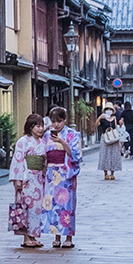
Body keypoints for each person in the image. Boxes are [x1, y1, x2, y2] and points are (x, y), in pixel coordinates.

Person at [40, 106, 83, 248]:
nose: (56, 124)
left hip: (65, 173)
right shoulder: (47, 135)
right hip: (51, 173)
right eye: (53, 121)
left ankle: (69, 237)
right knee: (53, 205)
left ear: (64, 120)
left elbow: (76, 155)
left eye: (59, 121)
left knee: (67, 205)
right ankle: (56, 236)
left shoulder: (72, 134)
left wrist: (63, 143)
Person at [8, 114, 48, 248]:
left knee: (36, 208)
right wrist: (17, 179)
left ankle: (33, 235)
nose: (41, 129)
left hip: (38, 178)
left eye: (42, 126)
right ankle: (26, 237)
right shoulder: (23, 141)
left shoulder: (43, 142)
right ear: (30, 127)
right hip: (27, 178)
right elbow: (17, 160)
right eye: (37, 126)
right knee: (26, 206)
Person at [97, 105, 123, 181]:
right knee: (104, 154)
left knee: (113, 154)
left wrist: (120, 123)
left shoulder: (114, 118)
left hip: (113, 137)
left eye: (110, 109)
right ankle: (105, 173)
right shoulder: (102, 118)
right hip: (105, 137)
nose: (108, 110)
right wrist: (99, 118)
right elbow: (95, 125)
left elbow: (116, 127)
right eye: (107, 109)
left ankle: (112, 173)